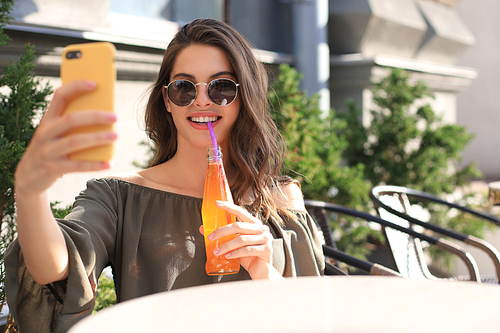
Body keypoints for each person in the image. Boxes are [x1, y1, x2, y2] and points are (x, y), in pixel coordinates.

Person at [5, 18, 325, 332]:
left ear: (244, 98)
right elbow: (56, 268)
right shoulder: (120, 196)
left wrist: (266, 275)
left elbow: (315, 318)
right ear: (167, 100)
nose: (201, 99)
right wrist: (31, 191)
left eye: (222, 87)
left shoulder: (280, 198)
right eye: (184, 87)